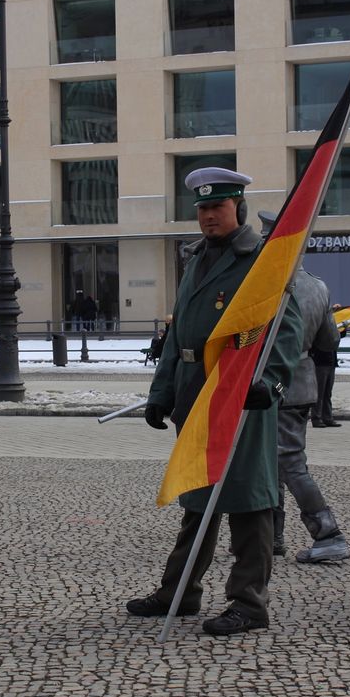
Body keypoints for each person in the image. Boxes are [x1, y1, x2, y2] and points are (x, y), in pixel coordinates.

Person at [127, 167, 303, 636]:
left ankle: (249, 603)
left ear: (238, 209)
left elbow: (286, 328)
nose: (208, 216)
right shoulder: (196, 257)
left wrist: (270, 381)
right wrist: (161, 393)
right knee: (198, 494)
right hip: (193, 390)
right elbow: (177, 333)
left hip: (239, 391)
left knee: (249, 500)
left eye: (217, 207)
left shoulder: (261, 259)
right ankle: (179, 591)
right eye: (203, 209)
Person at [256, 211, 350, 565]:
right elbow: (329, 342)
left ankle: (328, 534)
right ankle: (272, 537)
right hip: (300, 385)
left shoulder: (264, 284)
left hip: (272, 384)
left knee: (290, 464)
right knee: (270, 462)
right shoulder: (318, 286)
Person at [310, 306, 341, 428]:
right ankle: (316, 419)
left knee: (328, 393)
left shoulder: (331, 326)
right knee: (319, 393)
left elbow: (337, 338)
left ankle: (328, 417)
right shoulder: (317, 324)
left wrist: (344, 327)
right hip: (320, 363)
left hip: (331, 363)